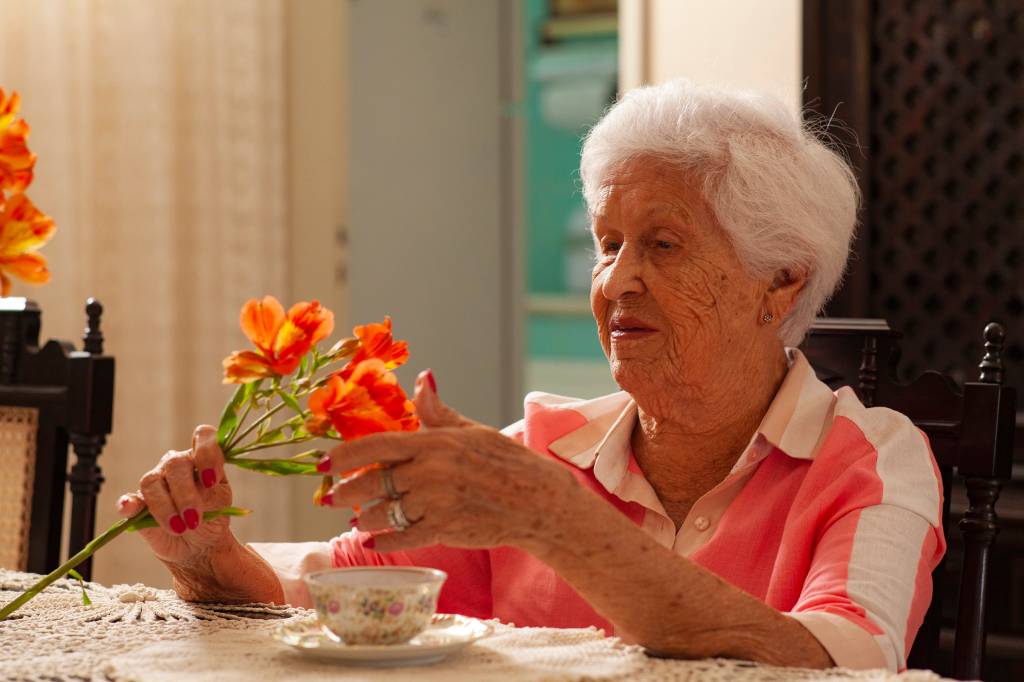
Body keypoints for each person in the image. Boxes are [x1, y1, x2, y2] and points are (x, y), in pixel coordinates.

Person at [117, 79, 944, 672]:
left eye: (661, 245)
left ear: (782, 282)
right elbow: (337, 598)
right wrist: (211, 559)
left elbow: (846, 661)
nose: (616, 281)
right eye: (606, 242)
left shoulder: (870, 459)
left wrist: (554, 523)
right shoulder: (542, 454)